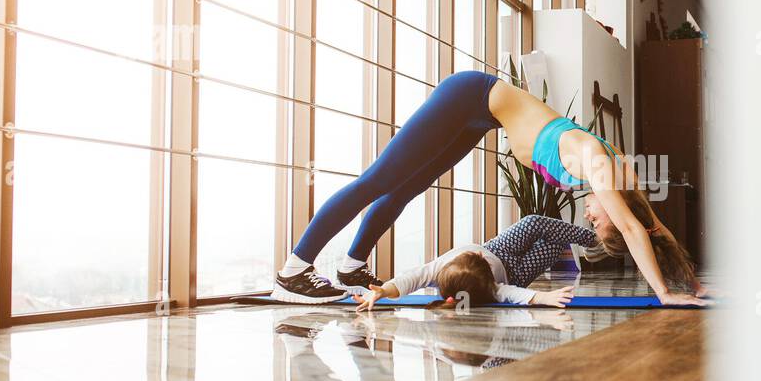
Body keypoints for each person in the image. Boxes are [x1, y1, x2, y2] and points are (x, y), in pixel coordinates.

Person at [271, 70, 706, 306]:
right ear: (617, 211)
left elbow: (652, 230)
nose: (590, 217)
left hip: (483, 119)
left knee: (407, 188)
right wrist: (664, 295)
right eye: (599, 220)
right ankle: (294, 270)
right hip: (470, 96)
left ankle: (350, 266)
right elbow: (633, 230)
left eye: (593, 222)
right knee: (379, 180)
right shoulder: (598, 164)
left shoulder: (624, 181)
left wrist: (691, 285)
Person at [354, 214, 596, 311]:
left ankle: (593, 240)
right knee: (554, 245)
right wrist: (544, 298)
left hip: (499, 247)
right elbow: (513, 293)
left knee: (532, 222)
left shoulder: (440, 269)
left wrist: (383, 291)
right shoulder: (495, 288)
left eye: (474, 255)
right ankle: (596, 247)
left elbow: (412, 278)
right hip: (516, 274)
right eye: (481, 261)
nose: (477, 254)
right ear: (489, 280)